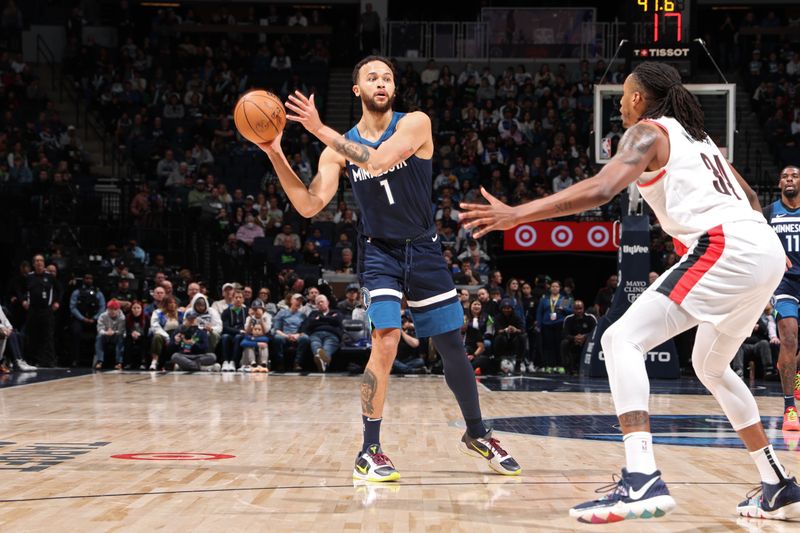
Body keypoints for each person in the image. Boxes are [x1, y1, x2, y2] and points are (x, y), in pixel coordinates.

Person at [460, 61, 800, 522]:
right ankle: (777, 482)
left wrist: (519, 213)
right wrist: (762, 247)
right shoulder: (702, 142)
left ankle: (641, 477)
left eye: (623, 93)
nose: (619, 101)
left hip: (727, 245)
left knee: (621, 339)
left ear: (639, 98)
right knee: (710, 366)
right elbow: (755, 201)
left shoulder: (646, 132)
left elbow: (602, 188)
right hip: (763, 249)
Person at [258, 55, 520, 481]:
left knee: (451, 345)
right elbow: (308, 205)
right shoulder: (335, 149)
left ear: (393, 89)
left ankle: (477, 433)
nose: (381, 82)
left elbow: (376, 160)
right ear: (358, 90)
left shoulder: (415, 123)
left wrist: (318, 128)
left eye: (388, 78)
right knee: (386, 338)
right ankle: (370, 450)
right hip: (380, 253)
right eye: (372, 77)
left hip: (425, 250)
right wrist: (274, 153)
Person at [763, 165, 800, 431]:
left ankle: (794, 373)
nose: (789, 179)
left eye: (795, 176)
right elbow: (756, 242)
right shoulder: (769, 214)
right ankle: (790, 409)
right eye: (785, 176)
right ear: (779, 183)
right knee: (788, 337)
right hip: (784, 281)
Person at [20, 254, 61, 367]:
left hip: (46, 310)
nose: (39, 263)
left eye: (41, 261)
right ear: (33, 264)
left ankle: (49, 361)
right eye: (37, 261)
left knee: (47, 336)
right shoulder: (29, 277)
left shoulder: (50, 277)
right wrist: (23, 300)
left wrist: (57, 302)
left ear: (44, 263)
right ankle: (31, 360)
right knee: (32, 336)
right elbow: (21, 290)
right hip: (33, 310)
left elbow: (59, 290)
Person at [69, 273, 105, 367]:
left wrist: (95, 318)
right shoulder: (77, 292)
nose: (88, 280)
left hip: (94, 319)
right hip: (80, 319)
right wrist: (82, 318)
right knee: (75, 332)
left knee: (100, 334)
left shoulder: (98, 293)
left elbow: (102, 308)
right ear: (83, 280)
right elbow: (73, 307)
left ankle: (98, 360)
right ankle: (75, 359)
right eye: (86, 278)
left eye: (90, 278)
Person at [300, 294, 344, 372]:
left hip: (332, 334)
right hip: (316, 334)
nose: (320, 304)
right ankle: (324, 363)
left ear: (327, 302)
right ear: (316, 305)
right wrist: (329, 319)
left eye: (322, 301)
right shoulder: (313, 313)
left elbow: (337, 321)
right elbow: (310, 323)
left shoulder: (336, 312)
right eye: (318, 303)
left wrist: (320, 318)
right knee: (315, 343)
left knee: (328, 345)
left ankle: (320, 360)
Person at [271, 293, 310, 372]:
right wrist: (286, 336)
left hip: (297, 336)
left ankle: (297, 363)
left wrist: (297, 335)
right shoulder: (282, 313)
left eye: (300, 301)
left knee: (305, 338)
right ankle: (280, 363)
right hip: (284, 335)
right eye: (297, 300)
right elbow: (277, 329)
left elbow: (304, 330)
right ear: (291, 301)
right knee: (277, 338)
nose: (298, 302)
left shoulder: (303, 315)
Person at [560, 300, 597, 375]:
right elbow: (565, 334)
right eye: (576, 309)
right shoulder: (568, 319)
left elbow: (596, 332)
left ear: (583, 308)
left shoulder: (590, 318)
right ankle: (568, 368)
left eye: (580, 308)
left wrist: (585, 337)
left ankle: (590, 368)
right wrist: (574, 338)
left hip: (587, 341)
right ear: (573, 309)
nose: (578, 311)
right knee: (564, 343)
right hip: (573, 340)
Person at [94, 299, 125, 370]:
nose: (113, 311)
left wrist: (113, 332)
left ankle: (119, 362)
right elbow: (99, 329)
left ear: (118, 309)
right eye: (111, 309)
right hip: (105, 335)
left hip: (116, 335)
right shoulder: (102, 316)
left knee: (120, 338)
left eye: (115, 309)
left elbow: (121, 330)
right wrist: (106, 332)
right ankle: (100, 361)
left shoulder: (122, 317)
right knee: (99, 337)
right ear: (108, 309)